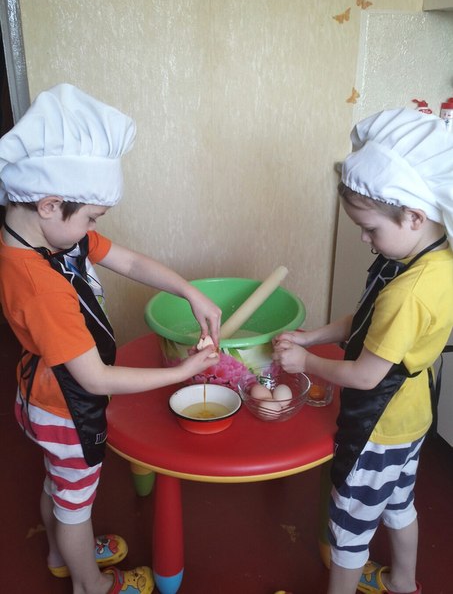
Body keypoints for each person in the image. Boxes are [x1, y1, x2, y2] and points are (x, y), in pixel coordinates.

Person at [0, 83, 221, 594]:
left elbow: (130, 262)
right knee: (75, 503)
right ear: (51, 204)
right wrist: (182, 372)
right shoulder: (39, 284)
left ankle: (62, 551)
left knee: (60, 486)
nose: (92, 230)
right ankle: (89, 583)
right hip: (65, 409)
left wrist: (189, 291)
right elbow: (95, 378)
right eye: (91, 219)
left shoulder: (46, 238)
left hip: (42, 396)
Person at [272, 108, 453, 594]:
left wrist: (305, 363)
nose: (364, 238)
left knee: (349, 527)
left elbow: (367, 375)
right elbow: (371, 324)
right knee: (399, 505)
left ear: (414, 215)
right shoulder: (436, 261)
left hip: (380, 428)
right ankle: (403, 582)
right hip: (414, 419)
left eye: (371, 229)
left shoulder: (408, 292)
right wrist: (311, 337)